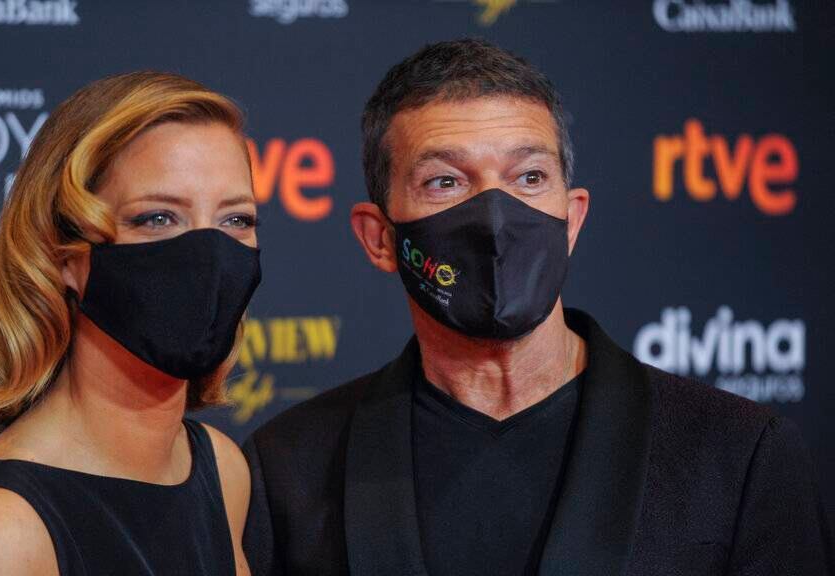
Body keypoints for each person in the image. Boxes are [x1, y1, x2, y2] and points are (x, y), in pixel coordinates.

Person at [241, 39, 832, 575]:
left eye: (528, 177)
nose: (495, 217)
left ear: (571, 220)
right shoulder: (289, 468)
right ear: (380, 238)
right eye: (446, 182)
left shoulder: (739, 455)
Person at [0, 71, 260, 575]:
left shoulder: (223, 471)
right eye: (158, 218)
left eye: (236, 220)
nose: (209, 256)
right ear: (64, 257)